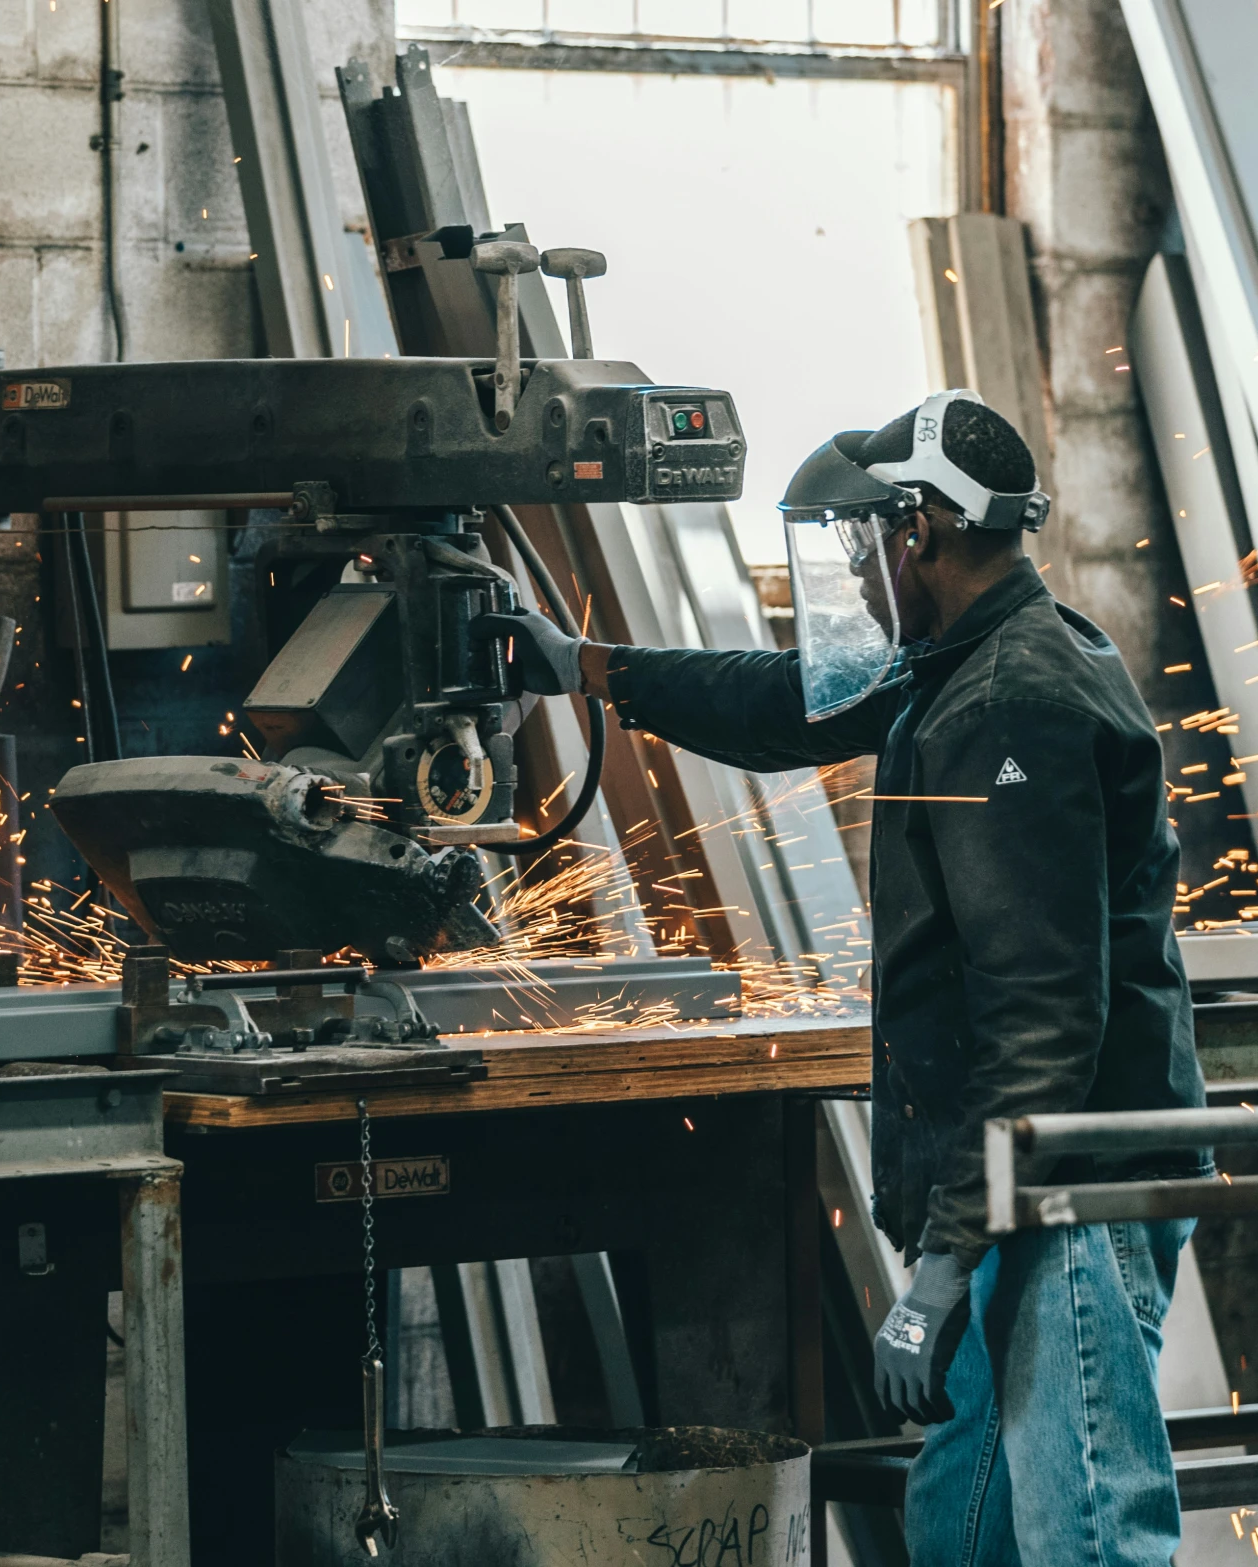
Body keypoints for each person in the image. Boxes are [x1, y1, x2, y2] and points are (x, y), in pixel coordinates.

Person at [478, 390, 1210, 1564]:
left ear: (915, 527)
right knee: (962, 1530)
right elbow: (779, 703)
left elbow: (1039, 1013)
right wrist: (586, 666)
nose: (859, 579)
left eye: (864, 546)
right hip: (1009, 1187)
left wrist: (941, 1266)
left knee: (1086, 1532)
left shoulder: (1012, 697)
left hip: (1067, 1192)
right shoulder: (958, 661)